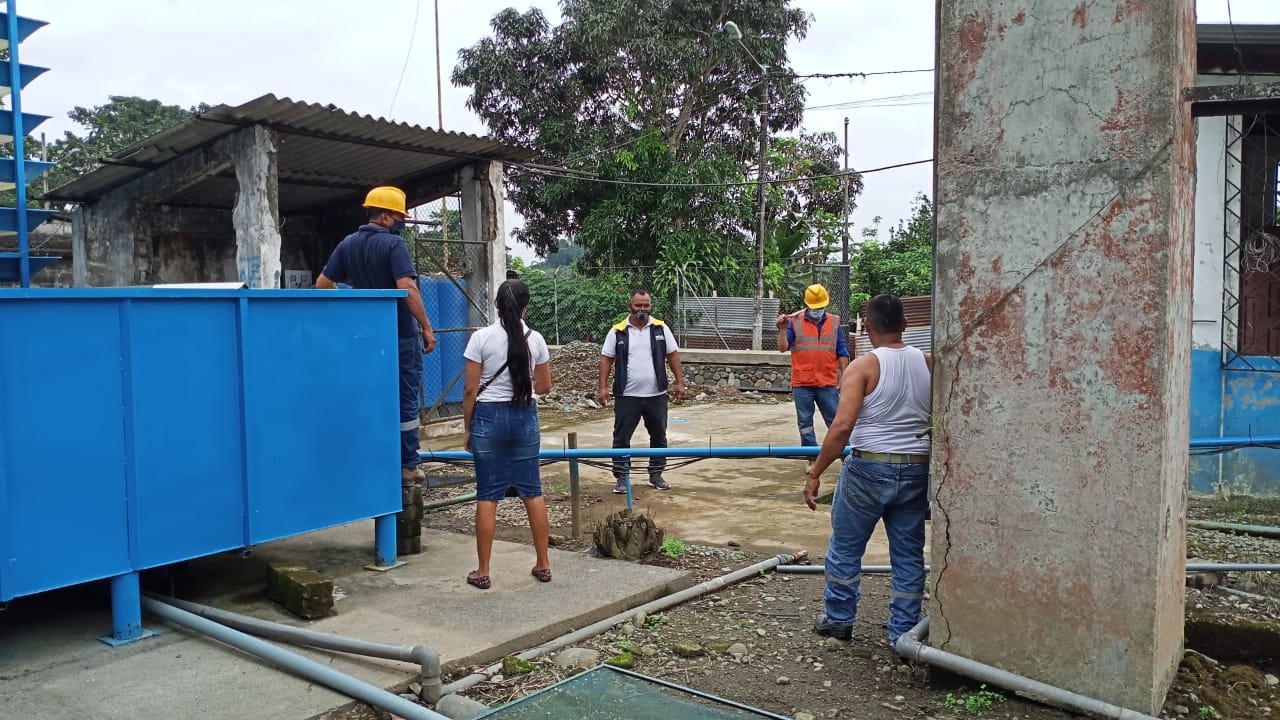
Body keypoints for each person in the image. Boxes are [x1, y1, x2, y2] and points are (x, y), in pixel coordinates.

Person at [803, 294, 931, 646]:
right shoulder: (929, 363)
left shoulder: (862, 367)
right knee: (908, 554)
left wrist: (815, 472)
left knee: (846, 547)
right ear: (905, 325)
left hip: (867, 469)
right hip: (917, 470)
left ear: (868, 326)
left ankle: (839, 620)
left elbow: (842, 427)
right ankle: (904, 634)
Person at [316, 186, 437, 487]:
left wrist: (351, 308)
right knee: (405, 399)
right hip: (399, 335)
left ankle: (373, 457)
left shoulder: (347, 244)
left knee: (371, 395)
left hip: (367, 338)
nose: (401, 223)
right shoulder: (394, 245)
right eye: (399, 217)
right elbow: (407, 287)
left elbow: (322, 285)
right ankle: (407, 466)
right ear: (384, 217)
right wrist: (426, 326)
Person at [461, 279, 553, 590]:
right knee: (532, 492)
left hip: (488, 417)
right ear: (526, 306)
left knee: (488, 494)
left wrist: (468, 429)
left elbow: (470, 389)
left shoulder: (480, 338)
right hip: (525, 415)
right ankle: (543, 563)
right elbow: (544, 386)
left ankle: (483, 570)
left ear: (496, 305)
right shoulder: (536, 340)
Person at [598, 289, 686, 493]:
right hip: (627, 396)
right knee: (621, 438)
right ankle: (622, 477)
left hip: (656, 396)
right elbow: (606, 360)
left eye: (646, 305)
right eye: (638, 305)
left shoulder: (661, 329)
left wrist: (680, 383)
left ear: (651, 307)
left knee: (659, 436)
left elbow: (673, 355)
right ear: (630, 306)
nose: (642, 309)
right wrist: (603, 388)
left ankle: (656, 475)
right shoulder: (617, 331)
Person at [776, 284, 850, 469]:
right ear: (807, 305)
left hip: (827, 382)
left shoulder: (834, 322)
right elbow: (783, 348)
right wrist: (783, 330)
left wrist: (845, 376)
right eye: (815, 307)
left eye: (821, 307)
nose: (818, 310)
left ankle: (846, 457)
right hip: (803, 382)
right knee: (805, 423)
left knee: (836, 422)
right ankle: (812, 458)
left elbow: (841, 350)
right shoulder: (794, 322)